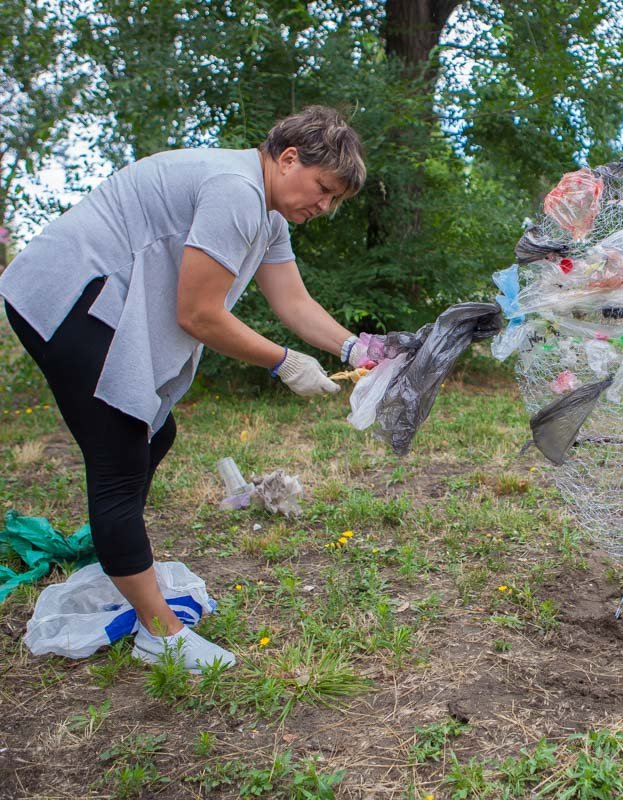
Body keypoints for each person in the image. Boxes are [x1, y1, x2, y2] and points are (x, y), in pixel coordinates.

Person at [0, 105, 382, 672]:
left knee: (155, 433)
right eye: (323, 189)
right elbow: (198, 314)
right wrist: (283, 363)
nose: (324, 207)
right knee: (122, 447)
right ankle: (162, 634)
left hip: (90, 298)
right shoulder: (235, 190)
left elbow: (293, 301)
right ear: (288, 158)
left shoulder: (267, 214)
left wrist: (353, 349)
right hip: (62, 294)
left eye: (334, 201)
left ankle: (119, 560)